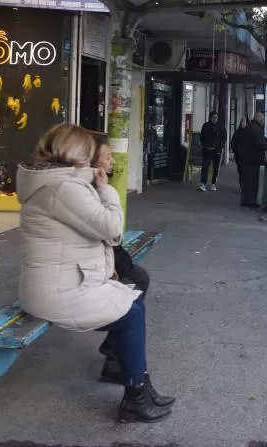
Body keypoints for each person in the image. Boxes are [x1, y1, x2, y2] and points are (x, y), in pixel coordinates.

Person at [16, 124, 174, 424]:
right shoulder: (63, 188)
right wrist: (106, 189)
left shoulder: (56, 183)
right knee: (132, 314)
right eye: (87, 154)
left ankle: (138, 384)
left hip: (59, 283)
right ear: (75, 153)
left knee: (134, 301)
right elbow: (112, 229)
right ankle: (135, 395)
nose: (91, 160)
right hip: (57, 290)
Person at [91, 140, 151, 383]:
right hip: (85, 270)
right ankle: (120, 365)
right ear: (92, 163)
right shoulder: (86, 191)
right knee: (133, 297)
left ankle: (114, 352)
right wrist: (107, 191)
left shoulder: (91, 187)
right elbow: (112, 230)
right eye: (107, 157)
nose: (113, 161)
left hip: (100, 259)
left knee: (138, 280)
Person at [236, 111, 267, 208]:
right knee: (252, 181)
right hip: (252, 159)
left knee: (246, 181)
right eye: (263, 119)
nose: (263, 121)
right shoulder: (255, 128)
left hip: (246, 159)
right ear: (259, 119)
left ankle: (245, 200)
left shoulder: (251, 127)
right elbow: (260, 142)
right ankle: (250, 201)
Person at [199, 110, 226, 192]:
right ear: (210, 118)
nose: (215, 119)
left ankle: (213, 183)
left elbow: (224, 137)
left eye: (216, 117)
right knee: (205, 167)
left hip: (216, 151)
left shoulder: (221, 127)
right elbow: (202, 136)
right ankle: (203, 183)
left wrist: (220, 147)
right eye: (213, 117)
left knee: (216, 168)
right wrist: (204, 145)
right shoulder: (206, 125)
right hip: (207, 150)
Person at [230, 117, 249, 193]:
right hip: (239, 156)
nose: (243, 124)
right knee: (240, 171)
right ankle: (242, 185)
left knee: (246, 172)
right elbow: (233, 143)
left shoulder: (249, 133)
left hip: (247, 156)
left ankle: (245, 186)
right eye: (242, 122)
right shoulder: (237, 132)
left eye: (244, 122)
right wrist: (236, 151)